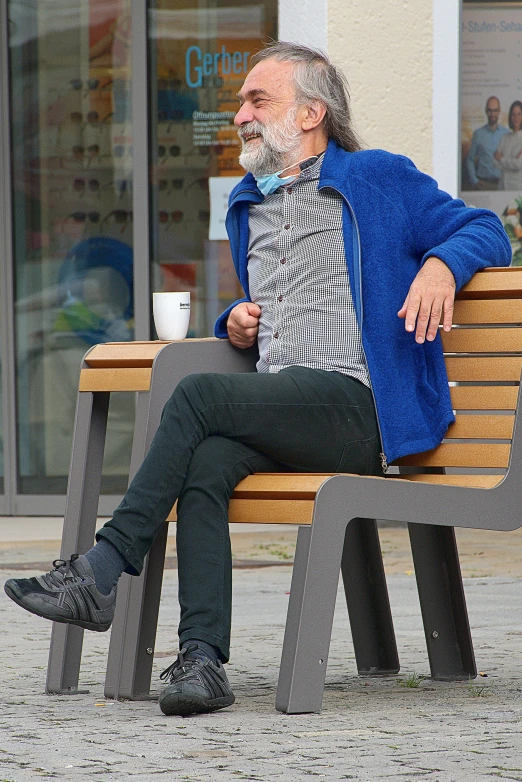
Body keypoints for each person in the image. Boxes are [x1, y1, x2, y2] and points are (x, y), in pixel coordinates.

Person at [4, 42, 511, 717]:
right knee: (206, 464)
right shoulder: (251, 204)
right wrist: (236, 323)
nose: (239, 113)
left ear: (311, 112)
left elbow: (485, 229)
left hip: (358, 409)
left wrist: (442, 265)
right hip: (287, 408)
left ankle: (103, 567)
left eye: (256, 100)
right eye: (241, 101)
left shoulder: (376, 178)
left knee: (198, 394)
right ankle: (202, 660)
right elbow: (285, 309)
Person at [465, 96, 509, 190]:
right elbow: (470, 159)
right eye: (490, 110)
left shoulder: (507, 134)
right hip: (483, 184)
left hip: (502, 185)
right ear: (485, 111)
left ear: (499, 111)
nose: (492, 114)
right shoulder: (478, 134)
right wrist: (474, 180)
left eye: (495, 110)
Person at [494, 100, 522, 190]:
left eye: (519, 114)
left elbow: (518, 164)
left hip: (517, 188)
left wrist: (501, 158)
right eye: (513, 114)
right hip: (502, 186)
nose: (516, 118)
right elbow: (494, 162)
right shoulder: (505, 137)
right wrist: (511, 162)